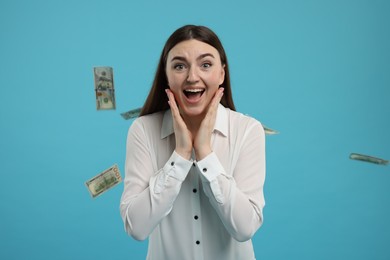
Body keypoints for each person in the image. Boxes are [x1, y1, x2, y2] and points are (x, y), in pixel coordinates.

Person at [120, 24, 266, 260]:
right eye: (179, 66)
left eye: (206, 64)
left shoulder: (248, 130)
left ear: (222, 74)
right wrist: (180, 155)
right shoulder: (143, 130)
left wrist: (206, 154)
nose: (192, 77)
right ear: (166, 76)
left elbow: (245, 228)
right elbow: (136, 228)